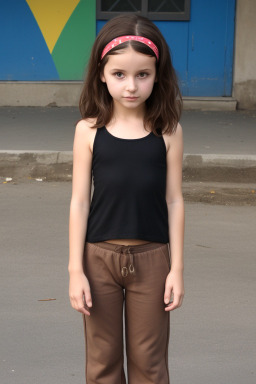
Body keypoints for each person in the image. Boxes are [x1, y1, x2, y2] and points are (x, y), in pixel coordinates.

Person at [68, 13, 185, 384]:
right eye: (119, 74)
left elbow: (174, 201)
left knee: (150, 364)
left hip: (153, 260)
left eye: (142, 75)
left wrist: (177, 269)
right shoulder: (88, 131)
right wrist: (75, 270)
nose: (131, 86)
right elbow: (79, 202)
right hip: (97, 260)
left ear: (157, 74)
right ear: (102, 74)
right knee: (101, 363)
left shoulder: (168, 130)